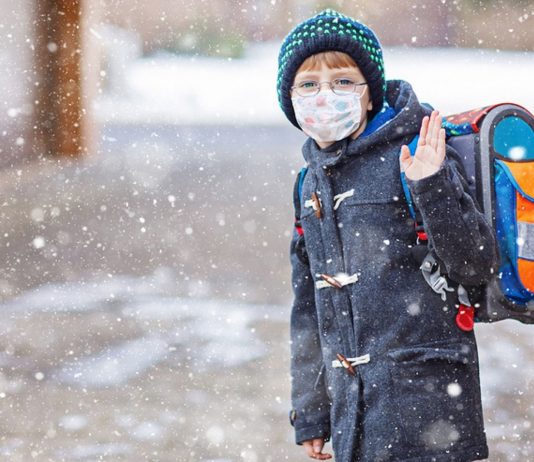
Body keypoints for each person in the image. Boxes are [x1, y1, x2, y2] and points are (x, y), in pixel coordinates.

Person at [276, 9, 499, 462]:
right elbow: (309, 311)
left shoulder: (420, 150)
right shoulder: (309, 183)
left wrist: (431, 185)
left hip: (430, 415)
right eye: (308, 84)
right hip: (353, 421)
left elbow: (475, 264)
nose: (325, 95)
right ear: (290, 98)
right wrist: (313, 412)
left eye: (343, 81)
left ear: (369, 93)